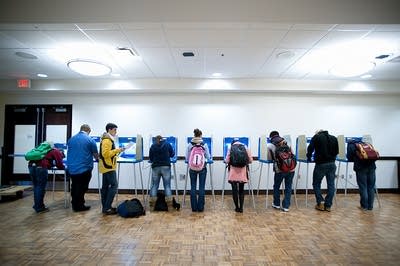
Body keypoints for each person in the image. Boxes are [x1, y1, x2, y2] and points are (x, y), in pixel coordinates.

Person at [67, 124, 99, 212]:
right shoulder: (90, 140)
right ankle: (79, 206)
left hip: (72, 168)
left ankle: (74, 204)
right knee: (82, 187)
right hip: (84, 168)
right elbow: (96, 155)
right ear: (88, 130)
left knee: (74, 186)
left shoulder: (71, 139)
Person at [28, 142, 65, 213]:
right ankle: (39, 207)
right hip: (41, 167)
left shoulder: (39, 150)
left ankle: (37, 205)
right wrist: (63, 168)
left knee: (36, 186)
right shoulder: (55, 151)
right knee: (41, 187)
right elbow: (59, 164)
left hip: (31, 166)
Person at [307, 130, 338, 212]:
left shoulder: (316, 137)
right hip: (332, 164)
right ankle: (328, 206)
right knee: (331, 185)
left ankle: (320, 203)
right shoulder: (334, 138)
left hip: (320, 165)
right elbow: (336, 152)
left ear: (317, 133)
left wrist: (309, 157)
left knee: (316, 183)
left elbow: (310, 148)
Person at [99, 123, 125, 215]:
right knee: (114, 186)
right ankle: (107, 207)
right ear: (109, 130)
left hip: (106, 166)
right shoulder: (107, 140)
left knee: (105, 187)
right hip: (108, 167)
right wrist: (117, 150)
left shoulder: (107, 139)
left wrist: (118, 151)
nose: (116, 132)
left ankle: (106, 208)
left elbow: (108, 153)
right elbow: (105, 154)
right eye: (114, 130)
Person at [267, 131, 295, 212]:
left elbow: (269, 159)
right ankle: (286, 206)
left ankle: (277, 204)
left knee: (276, 186)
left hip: (280, 170)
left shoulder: (270, 145)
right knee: (288, 187)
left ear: (270, 137)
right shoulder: (287, 143)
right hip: (291, 169)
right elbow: (292, 155)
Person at [346, 139, 377, 210]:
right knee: (371, 187)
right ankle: (370, 206)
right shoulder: (366, 144)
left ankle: (364, 206)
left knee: (363, 187)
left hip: (361, 168)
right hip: (371, 167)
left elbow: (349, 157)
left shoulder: (351, 145)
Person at [185, 128, 210, 212]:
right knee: (201, 187)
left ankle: (194, 208)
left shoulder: (189, 145)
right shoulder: (204, 145)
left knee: (193, 187)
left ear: (194, 135)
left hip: (192, 168)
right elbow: (208, 157)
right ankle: (200, 208)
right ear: (201, 135)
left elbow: (187, 158)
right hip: (202, 168)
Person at [149, 135, 176, 210]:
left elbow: (151, 158)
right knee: (167, 186)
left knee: (154, 186)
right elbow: (172, 154)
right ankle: (170, 206)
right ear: (162, 139)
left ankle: (152, 207)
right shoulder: (167, 144)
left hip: (155, 167)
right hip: (166, 167)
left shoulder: (153, 146)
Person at [225, 139, 253, 213]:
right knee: (241, 190)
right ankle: (241, 208)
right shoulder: (245, 147)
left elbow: (227, 160)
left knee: (234, 191)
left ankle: (236, 207)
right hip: (242, 173)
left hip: (233, 173)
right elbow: (250, 160)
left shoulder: (230, 148)